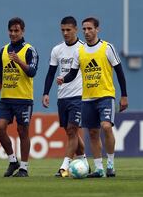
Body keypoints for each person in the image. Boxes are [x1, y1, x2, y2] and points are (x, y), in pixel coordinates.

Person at [57, 17, 128, 178]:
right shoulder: (79, 51)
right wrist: (63, 78)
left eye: (90, 29)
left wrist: (124, 95)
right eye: (84, 29)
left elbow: (120, 72)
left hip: (105, 95)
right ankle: (99, 169)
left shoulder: (107, 48)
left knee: (106, 126)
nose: (87, 32)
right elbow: (73, 73)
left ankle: (110, 164)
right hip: (87, 98)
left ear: (97, 30)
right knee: (93, 133)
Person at [42, 16, 89, 177]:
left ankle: (64, 166)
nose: (65, 33)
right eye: (62, 30)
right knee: (71, 133)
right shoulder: (57, 50)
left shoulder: (83, 48)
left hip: (79, 96)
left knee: (72, 129)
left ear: (76, 29)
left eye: (68, 30)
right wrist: (46, 93)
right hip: (62, 97)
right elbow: (50, 73)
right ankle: (84, 162)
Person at [0, 17, 39, 177]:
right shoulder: (4, 50)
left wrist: (19, 61)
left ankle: (24, 168)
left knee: (22, 131)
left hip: (23, 99)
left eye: (16, 31)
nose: (13, 33)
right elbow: (0, 75)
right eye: (11, 31)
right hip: (6, 98)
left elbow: (32, 72)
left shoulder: (29, 50)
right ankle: (13, 160)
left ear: (22, 31)